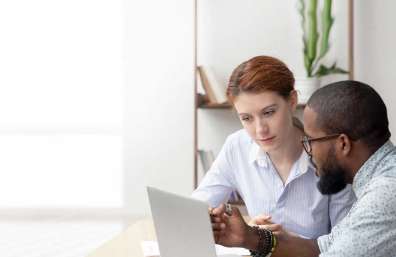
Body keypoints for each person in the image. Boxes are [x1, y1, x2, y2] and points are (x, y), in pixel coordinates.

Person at [211, 80, 396, 257]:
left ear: (343, 144)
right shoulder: (380, 182)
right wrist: (250, 237)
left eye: (311, 140)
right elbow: (323, 247)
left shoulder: (384, 195)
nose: (308, 152)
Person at [192, 56, 355, 239]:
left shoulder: (331, 155)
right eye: (247, 118)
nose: (260, 130)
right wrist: (247, 232)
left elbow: (347, 244)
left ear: (292, 101)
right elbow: (196, 208)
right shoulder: (236, 146)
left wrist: (269, 242)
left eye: (269, 112)